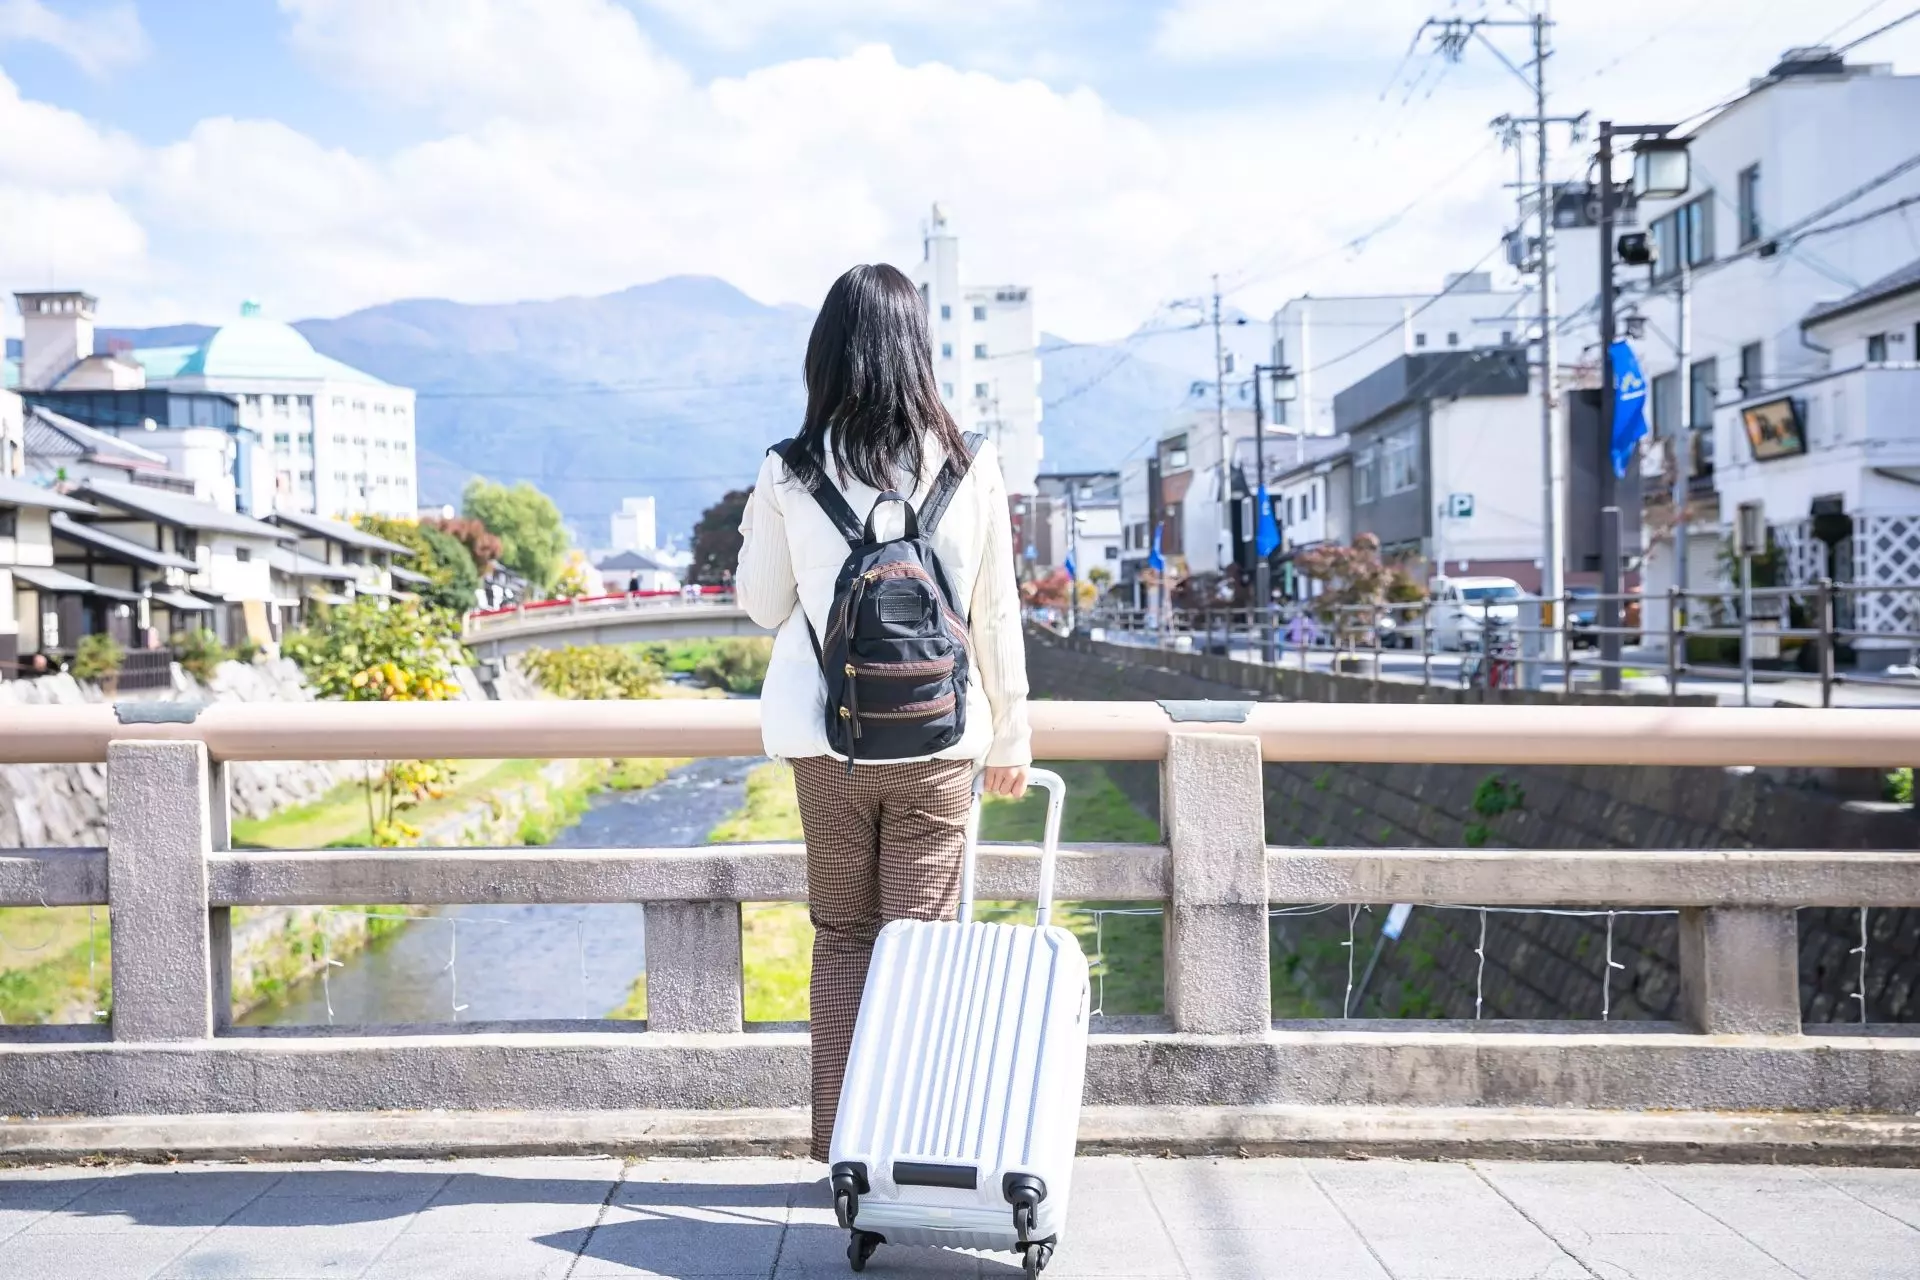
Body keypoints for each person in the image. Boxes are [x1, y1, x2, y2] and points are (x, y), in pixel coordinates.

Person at [735, 262, 1032, 1162]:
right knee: (923, 946)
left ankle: (841, 1149)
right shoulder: (973, 461)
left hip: (829, 745)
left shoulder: (790, 469)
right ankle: (918, 1145)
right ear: (920, 351)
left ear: (824, 355)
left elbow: (759, 600)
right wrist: (1011, 731)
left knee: (843, 939)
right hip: (942, 744)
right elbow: (997, 611)